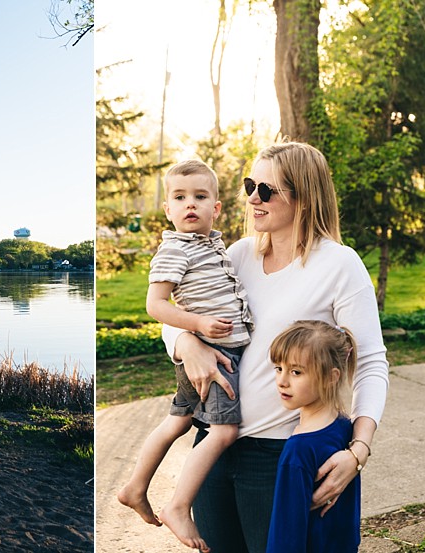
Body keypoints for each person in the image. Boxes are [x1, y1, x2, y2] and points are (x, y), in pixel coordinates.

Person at [164, 141, 388, 553]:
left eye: (266, 190)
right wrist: (183, 341)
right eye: (251, 185)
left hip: (281, 455)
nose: (252, 198)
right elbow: (177, 311)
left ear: (303, 197)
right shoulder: (235, 255)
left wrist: (358, 450)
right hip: (213, 443)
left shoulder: (340, 264)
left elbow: (370, 362)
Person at [118, 159, 252, 552]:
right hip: (214, 353)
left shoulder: (211, 244)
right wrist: (198, 324)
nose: (190, 204)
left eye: (200, 196)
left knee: (178, 421)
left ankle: (135, 486)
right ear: (168, 210)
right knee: (224, 431)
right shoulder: (175, 249)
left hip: (211, 348)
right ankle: (178, 505)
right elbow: (155, 305)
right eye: (180, 197)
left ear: (217, 207)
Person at [266, 320, 362, 552]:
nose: (282, 381)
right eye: (279, 368)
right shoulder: (344, 426)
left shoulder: (298, 450)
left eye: (296, 372)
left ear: (331, 377)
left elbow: (285, 536)